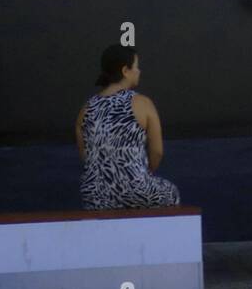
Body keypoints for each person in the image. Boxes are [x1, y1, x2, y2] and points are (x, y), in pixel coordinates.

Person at [75, 46, 180, 210]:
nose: (139, 71)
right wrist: (141, 176)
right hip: (135, 190)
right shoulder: (143, 103)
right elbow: (157, 152)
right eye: (136, 66)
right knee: (171, 192)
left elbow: (86, 156)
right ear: (125, 70)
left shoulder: (85, 110)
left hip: (94, 194)